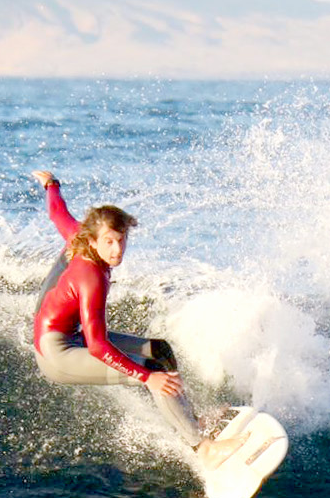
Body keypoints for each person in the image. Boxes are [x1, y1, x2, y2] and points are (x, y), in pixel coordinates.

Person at [28, 170, 242, 467]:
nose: (116, 251)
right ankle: (203, 448)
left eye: (121, 240)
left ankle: (191, 419)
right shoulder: (90, 277)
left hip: (69, 335)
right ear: (93, 240)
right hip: (57, 354)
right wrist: (146, 377)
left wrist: (51, 184)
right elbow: (98, 346)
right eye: (109, 243)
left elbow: (56, 212)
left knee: (159, 351)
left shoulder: (79, 235)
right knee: (152, 370)